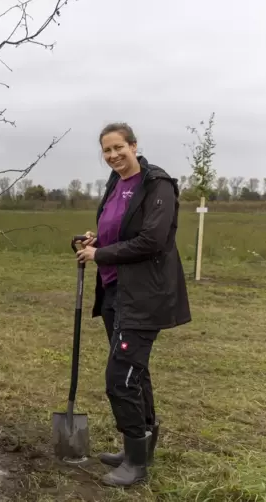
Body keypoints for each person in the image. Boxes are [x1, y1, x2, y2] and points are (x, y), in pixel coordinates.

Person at [75, 123, 191, 487]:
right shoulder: (115, 183)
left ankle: (136, 465)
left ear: (134, 146)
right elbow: (120, 227)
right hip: (115, 291)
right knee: (134, 372)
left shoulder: (157, 185)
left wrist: (101, 253)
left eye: (118, 148)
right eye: (106, 151)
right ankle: (139, 449)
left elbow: (152, 240)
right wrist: (97, 238)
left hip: (144, 297)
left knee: (120, 379)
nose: (112, 156)